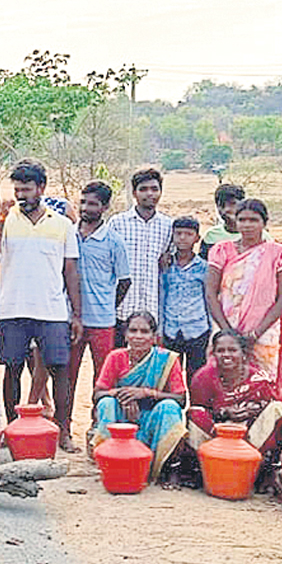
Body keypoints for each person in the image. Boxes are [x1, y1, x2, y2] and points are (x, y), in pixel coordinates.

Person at [0, 159, 82, 427]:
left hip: (52, 310)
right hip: (12, 309)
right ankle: (13, 428)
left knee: (59, 370)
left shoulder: (62, 224)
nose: (20, 195)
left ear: (41, 188)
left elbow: (71, 271)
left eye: (26, 190)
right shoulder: (3, 220)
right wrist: (1, 219)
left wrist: (76, 314)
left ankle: (63, 430)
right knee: (12, 370)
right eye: (17, 189)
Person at [205, 199, 282, 402]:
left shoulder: (279, 253)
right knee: (221, 384)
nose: (247, 225)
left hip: (264, 333)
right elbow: (210, 293)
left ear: (264, 223)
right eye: (242, 220)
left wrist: (255, 334)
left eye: (253, 220)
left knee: (261, 387)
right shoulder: (221, 250)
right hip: (225, 329)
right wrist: (228, 333)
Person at [185, 329, 282, 489]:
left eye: (232, 350)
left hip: (249, 438)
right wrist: (225, 413)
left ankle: (265, 472)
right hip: (218, 437)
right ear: (214, 353)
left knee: (278, 409)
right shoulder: (203, 377)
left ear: (243, 353)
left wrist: (253, 409)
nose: (226, 355)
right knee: (195, 414)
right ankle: (200, 471)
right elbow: (201, 412)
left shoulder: (258, 377)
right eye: (221, 350)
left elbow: (269, 407)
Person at [66, 181, 130, 445]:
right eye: (83, 202)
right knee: (67, 375)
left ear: (104, 207)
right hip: (70, 319)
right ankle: (63, 427)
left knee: (102, 378)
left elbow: (124, 280)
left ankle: (97, 428)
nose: (85, 208)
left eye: (92, 204)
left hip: (103, 321)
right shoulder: (68, 234)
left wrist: (108, 306)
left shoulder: (113, 241)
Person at [91, 312, 187, 485]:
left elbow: (181, 399)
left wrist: (147, 393)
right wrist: (123, 395)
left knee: (170, 407)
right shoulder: (116, 357)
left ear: (154, 337)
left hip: (153, 419)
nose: (138, 336)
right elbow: (97, 394)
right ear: (126, 335)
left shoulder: (167, 359)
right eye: (133, 331)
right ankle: (109, 461)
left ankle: (165, 467)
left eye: (144, 331)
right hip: (123, 418)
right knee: (106, 403)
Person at [109, 169, 173, 349]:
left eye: (154, 189)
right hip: (122, 308)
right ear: (134, 193)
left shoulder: (168, 226)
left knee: (149, 361)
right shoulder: (117, 223)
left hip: (152, 307)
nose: (149, 194)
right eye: (143, 189)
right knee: (119, 358)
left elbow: (168, 261)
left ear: (161, 192)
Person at [161, 217, 211, 377]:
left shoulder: (204, 267)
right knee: (169, 376)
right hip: (171, 330)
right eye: (178, 233)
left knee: (196, 376)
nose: (182, 238)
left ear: (197, 238)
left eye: (188, 234)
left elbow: (209, 298)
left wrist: (211, 330)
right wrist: (160, 328)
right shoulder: (165, 265)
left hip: (197, 329)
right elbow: (162, 296)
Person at [200, 183, 246, 260]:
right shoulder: (212, 236)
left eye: (232, 204)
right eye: (221, 205)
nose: (226, 209)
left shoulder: (258, 236)